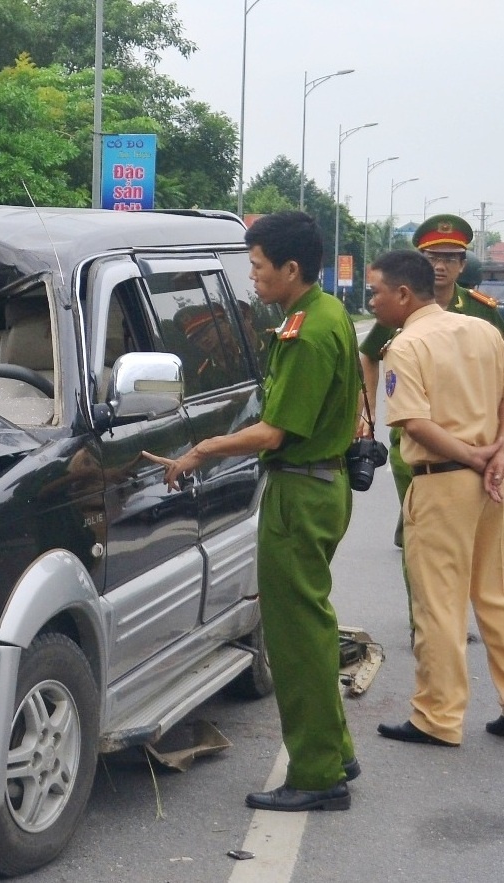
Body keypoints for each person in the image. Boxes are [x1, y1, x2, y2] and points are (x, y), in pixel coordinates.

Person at [141, 211, 360, 811]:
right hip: (317, 486)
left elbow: (274, 432)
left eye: (260, 268)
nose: (253, 278)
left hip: (299, 493)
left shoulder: (308, 334)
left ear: (291, 269)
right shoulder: (324, 311)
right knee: (311, 626)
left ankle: (317, 777)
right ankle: (334, 749)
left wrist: (201, 450)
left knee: (295, 640)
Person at [368, 249, 504, 747]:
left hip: (444, 482)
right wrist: (494, 456)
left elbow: (414, 422)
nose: (372, 301)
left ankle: (439, 716)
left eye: (376, 292)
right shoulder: (484, 330)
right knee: (494, 596)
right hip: (493, 481)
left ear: (403, 294)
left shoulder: (405, 347)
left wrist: (472, 457)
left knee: (439, 605)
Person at [358, 214, 504, 624]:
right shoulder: (397, 308)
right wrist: (367, 418)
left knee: (476, 541)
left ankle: (452, 613)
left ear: (463, 265)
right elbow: (368, 358)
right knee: (423, 538)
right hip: (419, 445)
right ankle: (425, 619)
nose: (441, 265)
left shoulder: (483, 313)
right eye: (432, 257)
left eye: (451, 258)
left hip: (479, 444)